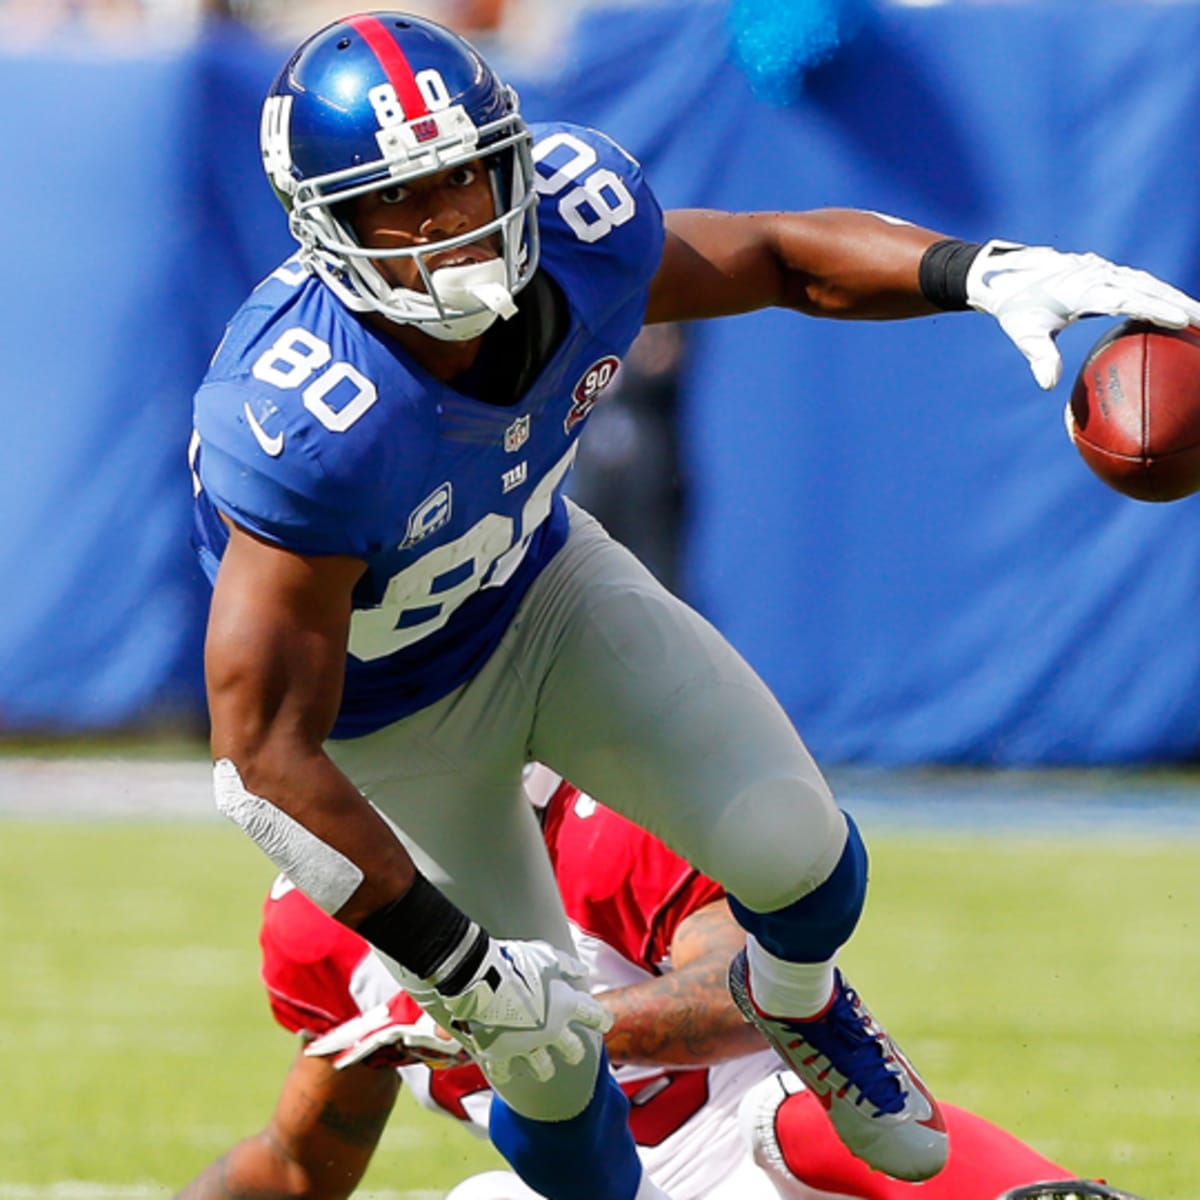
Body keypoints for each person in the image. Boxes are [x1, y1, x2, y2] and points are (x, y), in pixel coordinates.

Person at [189, 12, 1200, 1200]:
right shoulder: (307, 419)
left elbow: (776, 251)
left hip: (541, 599)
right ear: (327, 229)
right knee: (551, 1068)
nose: (450, 226)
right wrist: (456, 965)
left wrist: (975, 272)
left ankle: (808, 1012)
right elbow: (260, 748)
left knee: (809, 862)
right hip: (397, 732)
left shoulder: (575, 229)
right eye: (398, 204)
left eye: (466, 179)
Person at [173, 771, 1132, 1200]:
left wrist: (535, 1025)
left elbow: (737, 991)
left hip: (750, 1153)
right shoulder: (312, 924)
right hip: (601, 1186)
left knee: (792, 1111)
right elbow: (300, 1164)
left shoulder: (586, 820)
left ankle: (1042, 1197)